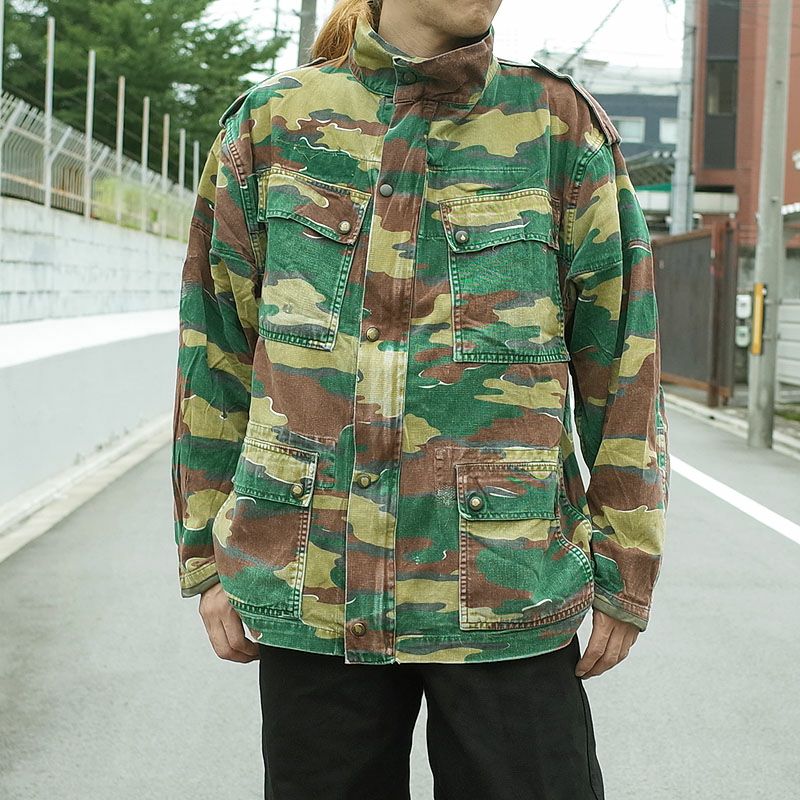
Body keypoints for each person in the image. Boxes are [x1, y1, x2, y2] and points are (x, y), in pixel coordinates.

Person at [170, 0, 670, 797]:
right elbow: (215, 353)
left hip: (507, 589)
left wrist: (627, 566)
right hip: (318, 590)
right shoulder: (272, 126)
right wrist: (203, 551)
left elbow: (624, 360)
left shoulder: (557, 128)